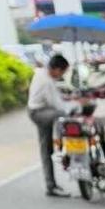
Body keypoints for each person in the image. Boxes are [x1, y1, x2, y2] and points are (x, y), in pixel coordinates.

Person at [28, 53, 72, 197]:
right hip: (40, 113)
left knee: (46, 150)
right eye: (62, 72)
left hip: (37, 110)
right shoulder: (47, 81)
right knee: (64, 115)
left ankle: (50, 184)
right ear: (56, 69)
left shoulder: (42, 73)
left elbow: (54, 97)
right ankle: (62, 144)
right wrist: (74, 108)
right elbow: (57, 103)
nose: (61, 76)